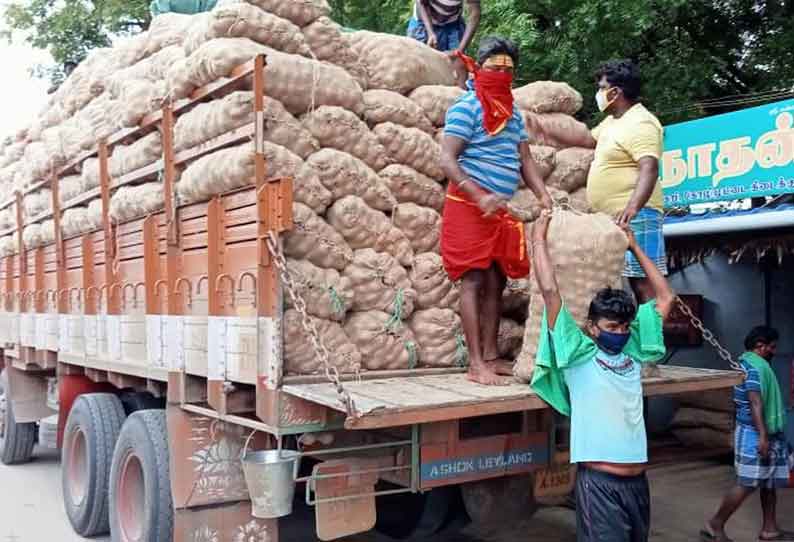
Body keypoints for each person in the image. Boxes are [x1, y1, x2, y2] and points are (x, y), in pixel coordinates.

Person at [530, 209, 674, 542]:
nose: (620, 333)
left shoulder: (634, 352)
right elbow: (551, 292)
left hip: (638, 483)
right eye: (612, 327)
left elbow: (664, 297)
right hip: (600, 484)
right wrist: (538, 239)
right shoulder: (578, 355)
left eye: (624, 326)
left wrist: (634, 247)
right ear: (593, 328)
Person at [440, 36, 553, 386]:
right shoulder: (466, 107)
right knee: (472, 279)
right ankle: (475, 364)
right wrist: (479, 195)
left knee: (497, 279)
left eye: (508, 69)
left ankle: (491, 355)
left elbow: (525, 159)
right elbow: (447, 158)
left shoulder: (513, 114)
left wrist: (543, 194)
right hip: (468, 207)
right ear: (478, 67)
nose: (501, 74)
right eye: (494, 68)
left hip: (500, 210)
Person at [546, 59, 666, 304]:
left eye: (602, 87)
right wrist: (541, 125)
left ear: (615, 92)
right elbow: (586, 140)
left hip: (635, 216)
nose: (599, 93)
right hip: (610, 217)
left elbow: (649, 168)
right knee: (621, 283)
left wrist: (632, 208)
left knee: (643, 283)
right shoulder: (613, 122)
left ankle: (650, 339)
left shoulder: (641, 122)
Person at [702, 327, 794, 542]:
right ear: (760, 345)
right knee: (748, 482)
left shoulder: (760, 366)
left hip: (771, 432)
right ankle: (714, 524)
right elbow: (755, 402)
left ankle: (769, 529)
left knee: (769, 482)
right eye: (771, 347)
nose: (774, 351)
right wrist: (762, 436)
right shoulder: (751, 367)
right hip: (755, 432)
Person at [407, 0, 482, 56]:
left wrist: (459, 50)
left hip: (452, 23)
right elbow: (422, 3)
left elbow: (474, 14)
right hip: (422, 22)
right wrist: (431, 33)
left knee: (456, 64)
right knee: (418, 59)